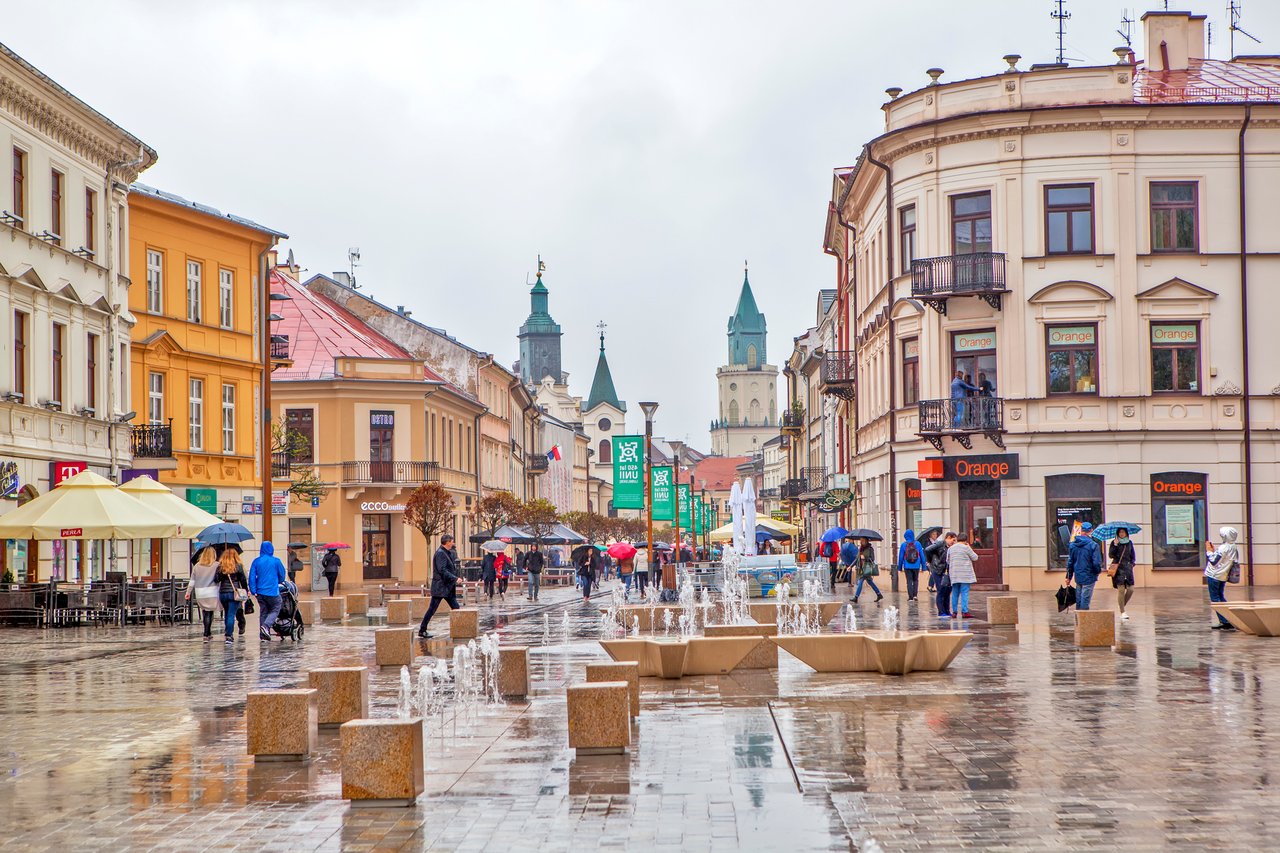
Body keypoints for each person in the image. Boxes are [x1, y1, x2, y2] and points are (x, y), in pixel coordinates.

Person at [418, 534, 461, 639]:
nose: (453, 543)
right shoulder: (440, 553)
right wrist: (454, 578)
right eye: (452, 541)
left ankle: (460, 630)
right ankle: (422, 630)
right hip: (441, 587)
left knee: (456, 608)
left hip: (447, 587)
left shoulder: (447, 552)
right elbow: (442, 570)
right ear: (447, 542)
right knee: (432, 609)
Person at [249, 541, 287, 641]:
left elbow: (252, 577)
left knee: (263, 611)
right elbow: (282, 576)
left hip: (260, 592)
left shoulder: (256, 561)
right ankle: (266, 626)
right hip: (272, 591)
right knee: (276, 608)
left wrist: (253, 590)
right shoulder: (276, 561)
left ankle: (263, 636)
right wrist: (277, 581)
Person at [1205, 526, 1239, 630]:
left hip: (1214, 575)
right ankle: (1227, 619)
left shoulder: (1224, 548)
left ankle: (1224, 621)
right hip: (1222, 575)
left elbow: (1214, 561)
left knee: (1215, 598)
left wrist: (1209, 551)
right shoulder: (1233, 547)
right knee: (1220, 597)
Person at [1065, 522, 1103, 611]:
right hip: (1089, 576)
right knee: (1085, 600)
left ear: (1081, 531)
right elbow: (1096, 563)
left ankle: (1078, 620)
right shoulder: (1094, 545)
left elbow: (1070, 562)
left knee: (1079, 599)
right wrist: (1097, 572)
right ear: (1091, 531)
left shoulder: (1073, 545)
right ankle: (1084, 621)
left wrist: (1068, 577)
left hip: (1078, 576)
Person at [186, 546, 220, 641]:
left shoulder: (197, 566)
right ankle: (207, 632)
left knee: (205, 612)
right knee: (210, 612)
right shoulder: (217, 565)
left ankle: (206, 633)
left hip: (200, 593)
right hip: (212, 592)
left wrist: (188, 592)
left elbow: (192, 581)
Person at [214, 549, 248, 643]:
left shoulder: (221, 567)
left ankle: (227, 633)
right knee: (231, 614)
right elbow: (243, 580)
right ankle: (229, 635)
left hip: (223, 593)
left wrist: (223, 573)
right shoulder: (238, 566)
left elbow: (216, 580)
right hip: (234, 593)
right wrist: (246, 591)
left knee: (227, 613)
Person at [947, 533, 979, 619]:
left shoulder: (950, 548)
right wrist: (969, 547)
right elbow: (975, 557)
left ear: (957, 539)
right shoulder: (966, 548)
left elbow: (948, 560)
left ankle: (954, 612)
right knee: (964, 593)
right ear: (965, 540)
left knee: (955, 593)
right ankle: (964, 612)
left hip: (954, 574)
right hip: (965, 574)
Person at [1108, 527, 1137, 620]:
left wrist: (1131, 564)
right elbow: (1111, 555)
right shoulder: (1114, 542)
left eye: (1123, 532)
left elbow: (1133, 556)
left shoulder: (1129, 542)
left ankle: (1121, 605)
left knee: (1131, 589)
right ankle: (1123, 612)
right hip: (1118, 569)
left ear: (1126, 533)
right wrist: (1115, 546)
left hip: (1128, 569)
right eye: (1120, 532)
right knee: (1121, 590)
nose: (1121, 534)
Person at [926, 532, 955, 619]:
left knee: (947, 590)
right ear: (948, 538)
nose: (954, 542)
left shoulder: (949, 547)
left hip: (946, 570)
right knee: (941, 590)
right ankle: (941, 611)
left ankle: (947, 611)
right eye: (953, 540)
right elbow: (927, 550)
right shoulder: (940, 544)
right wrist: (932, 561)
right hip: (937, 570)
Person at [851, 537, 883, 604]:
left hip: (867, 568)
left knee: (860, 581)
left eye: (862, 540)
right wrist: (850, 566)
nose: (861, 542)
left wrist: (865, 558)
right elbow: (857, 559)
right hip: (861, 568)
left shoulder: (870, 549)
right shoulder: (860, 549)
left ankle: (856, 597)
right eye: (860, 540)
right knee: (870, 582)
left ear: (866, 541)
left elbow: (872, 558)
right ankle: (879, 594)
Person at [896, 529, 924, 602]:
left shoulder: (903, 545)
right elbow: (922, 555)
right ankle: (915, 595)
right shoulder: (918, 544)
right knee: (915, 580)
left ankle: (910, 597)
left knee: (909, 581)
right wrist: (924, 566)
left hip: (907, 566)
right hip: (916, 565)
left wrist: (899, 568)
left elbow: (901, 557)